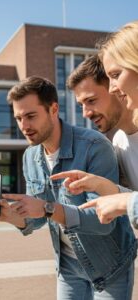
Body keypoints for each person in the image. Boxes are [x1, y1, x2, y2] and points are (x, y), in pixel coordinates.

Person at [0, 76, 137, 299]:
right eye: (18, 118)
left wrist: (47, 208)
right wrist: (11, 216)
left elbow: (103, 221)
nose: (24, 126)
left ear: (53, 109)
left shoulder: (94, 146)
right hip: (68, 266)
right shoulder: (30, 156)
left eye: (31, 116)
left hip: (109, 265)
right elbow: (38, 217)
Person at [52, 21, 138, 228]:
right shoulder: (117, 142)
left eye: (91, 100)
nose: (113, 88)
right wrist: (104, 187)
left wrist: (126, 201)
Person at [67, 54, 138, 189]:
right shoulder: (118, 143)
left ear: (115, 88)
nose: (85, 113)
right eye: (81, 105)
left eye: (91, 101)